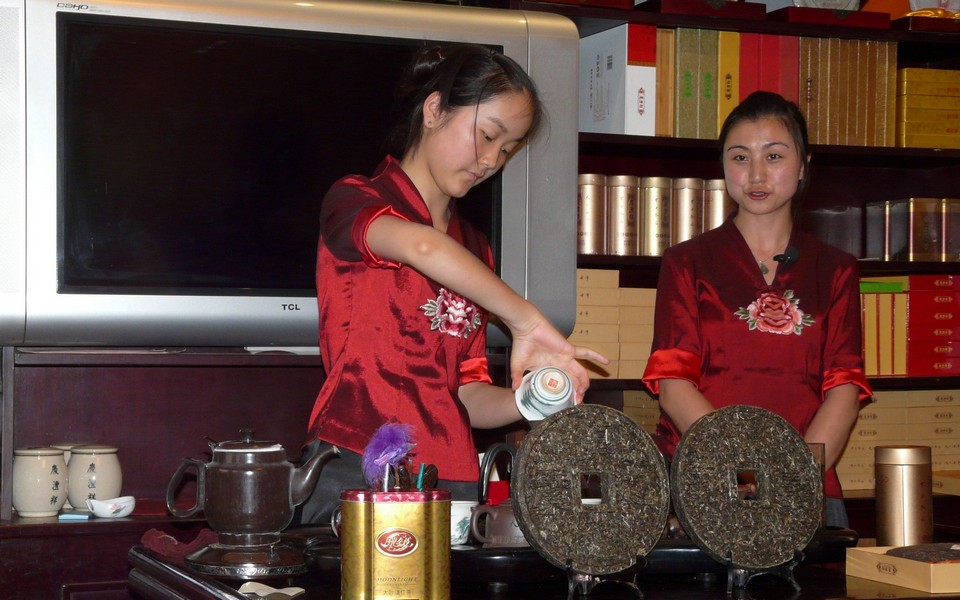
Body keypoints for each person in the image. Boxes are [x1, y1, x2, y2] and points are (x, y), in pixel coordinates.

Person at [296, 44, 607, 525]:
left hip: (451, 479)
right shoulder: (355, 198)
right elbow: (420, 246)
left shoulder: (474, 248)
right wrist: (525, 320)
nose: (491, 160)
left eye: (507, 149)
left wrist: (535, 397)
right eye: (487, 135)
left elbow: (465, 394)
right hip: (358, 464)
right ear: (434, 109)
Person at [641, 91, 872, 527]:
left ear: (803, 166)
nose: (756, 174)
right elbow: (673, 384)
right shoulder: (687, 262)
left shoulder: (836, 268)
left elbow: (843, 389)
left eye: (774, 156)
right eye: (740, 157)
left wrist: (789, 480)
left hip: (802, 483)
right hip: (707, 478)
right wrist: (747, 480)